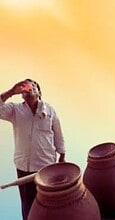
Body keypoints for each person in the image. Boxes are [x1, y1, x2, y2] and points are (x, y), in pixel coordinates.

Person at [0, 79, 65, 220]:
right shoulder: (14, 110)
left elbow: (58, 134)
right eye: (25, 87)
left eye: (33, 86)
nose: (29, 88)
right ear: (21, 94)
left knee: (47, 203)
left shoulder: (50, 111)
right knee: (27, 205)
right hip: (23, 167)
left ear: (39, 93)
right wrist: (11, 92)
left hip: (45, 166)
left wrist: (62, 156)